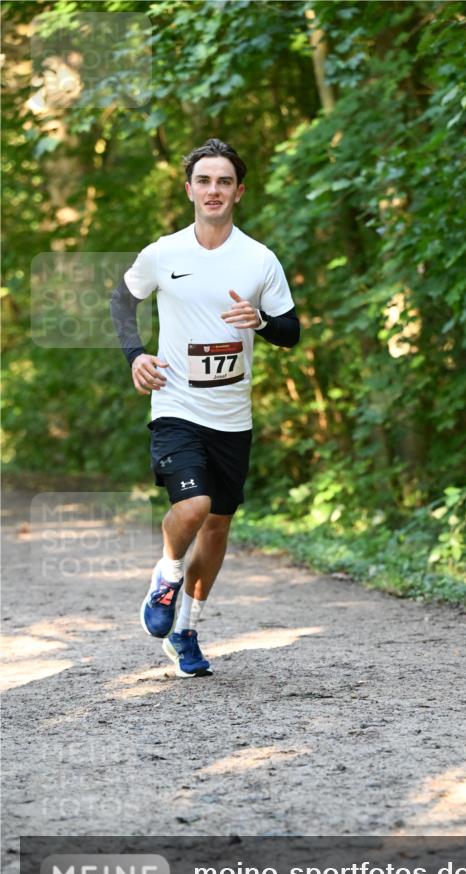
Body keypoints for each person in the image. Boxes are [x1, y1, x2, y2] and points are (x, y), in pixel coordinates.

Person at [110, 138, 300, 677]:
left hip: (232, 417)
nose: (213, 190)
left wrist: (260, 323)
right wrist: (135, 356)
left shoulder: (259, 259)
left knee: (217, 526)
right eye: (204, 180)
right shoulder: (163, 253)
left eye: (224, 181)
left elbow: (291, 331)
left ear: (238, 191)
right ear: (188, 188)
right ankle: (167, 575)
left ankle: (187, 630)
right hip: (175, 404)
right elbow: (122, 302)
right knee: (192, 509)